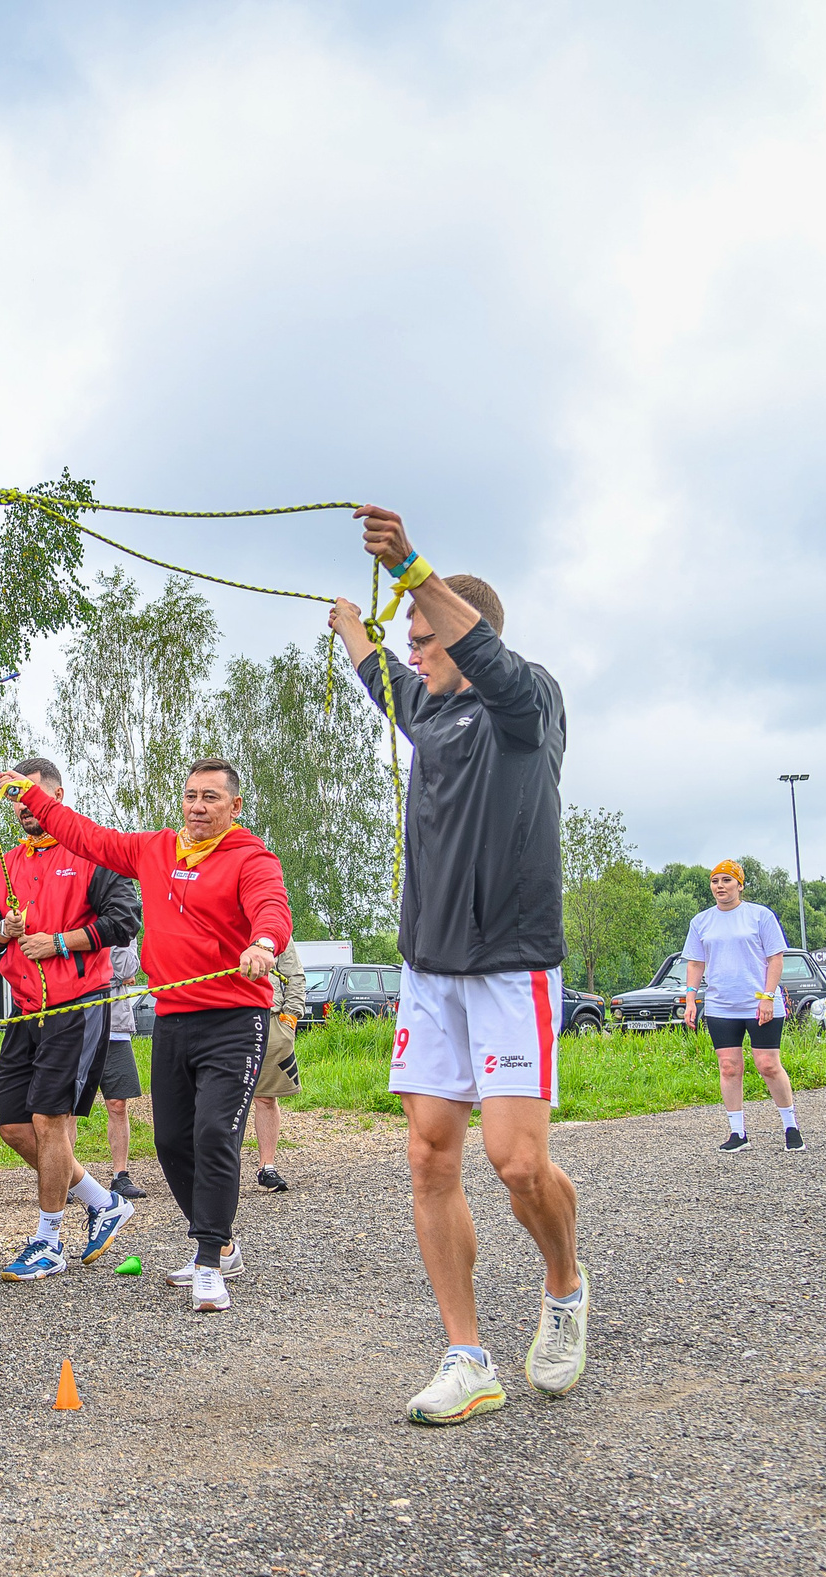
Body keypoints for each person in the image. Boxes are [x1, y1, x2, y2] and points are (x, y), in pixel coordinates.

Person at [329, 511, 587, 1428]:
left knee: (518, 1164)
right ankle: (467, 1353)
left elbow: (481, 654)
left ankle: (563, 1284)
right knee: (429, 1153)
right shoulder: (429, 706)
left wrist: (405, 562)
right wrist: (353, 631)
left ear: (467, 634)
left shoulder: (528, 703)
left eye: (426, 635)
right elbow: (381, 680)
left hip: (511, 963)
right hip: (431, 968)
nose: (415, 648)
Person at [0, 758, 290, 1313]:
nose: (198, 807)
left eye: (211, 798)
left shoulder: (252, 858)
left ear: (234, 807)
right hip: (173, 1015)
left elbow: (272, 909)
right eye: (191, 796)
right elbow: (87, 835)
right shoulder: (155, 849)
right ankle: (222, 1243)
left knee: (213, 1135)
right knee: (171, 1142)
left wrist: (265, 945)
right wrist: (32, 799)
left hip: (234, 1018)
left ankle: (206, 1264)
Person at [0, 757, 142, 1279]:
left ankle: (48, 1241)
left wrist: (62, 942)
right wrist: (2, 930)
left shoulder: (92, 853)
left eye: (32, 796)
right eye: (16, 800)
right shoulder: (7, 862)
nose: (24, 808)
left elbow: (126, 920)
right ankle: (102, 1200)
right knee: (13, 1128)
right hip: (24, 1007)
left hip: (76, 1005)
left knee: (51, 1123)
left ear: (58, 794)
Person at [680, 861, 800, 1152]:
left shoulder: (759, 916)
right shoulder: (702, 921)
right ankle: (738, 1133)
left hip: (759, 1003)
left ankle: (790, 1126)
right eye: (715, 881)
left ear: (740, 885)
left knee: (768, 1065)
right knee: (729, 1067)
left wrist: (768, 997)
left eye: (726, 881)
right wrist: (690, 1000)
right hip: (722, 1005)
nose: (720, 886)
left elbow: (775, 958)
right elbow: (696, 963)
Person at [247, 942, 306, 1189]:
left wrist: (290, 1017)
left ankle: (267, 1167)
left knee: (266, 1098)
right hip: (225, 1019)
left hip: (269, 1019)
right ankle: (216, 1170)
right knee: (220, 1098)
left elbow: (294, 975)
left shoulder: (272, 928)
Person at [100, 941, 148, 1199]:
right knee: (69, 1107)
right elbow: (78, 973)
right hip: (77, 1026)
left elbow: (129, 968)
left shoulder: (123, 922)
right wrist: (116, 978)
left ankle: (120, 1175)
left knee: (118, 1104)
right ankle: (66, 1177)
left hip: (116, 1027)